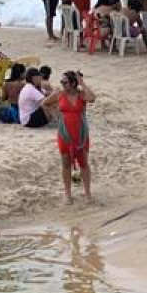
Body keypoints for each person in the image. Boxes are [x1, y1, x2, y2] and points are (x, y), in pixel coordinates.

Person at [43, 70, 95, 204]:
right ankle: (68, 194)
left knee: (83, 163)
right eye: (61, 81)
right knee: (66, 163)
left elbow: (92, 98)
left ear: (73, 83)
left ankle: (87, 193)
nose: (62, 84)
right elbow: (44, 103)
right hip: (64, 134)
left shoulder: (81, 95)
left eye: (65, 82)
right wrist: (55, 116)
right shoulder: (59, 94)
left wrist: (82, 83)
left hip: (80, 133)